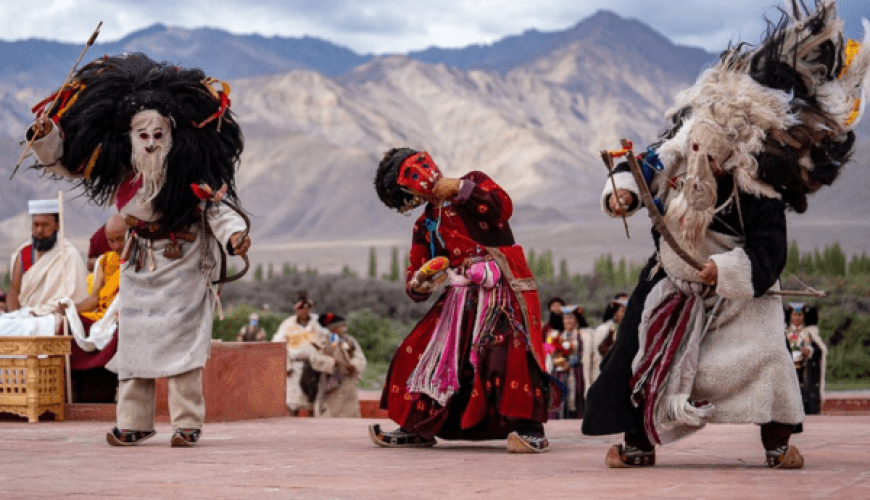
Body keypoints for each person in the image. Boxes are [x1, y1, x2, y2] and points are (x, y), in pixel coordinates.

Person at [582, 2, 868, 469]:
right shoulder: (678, 146)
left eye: (715, 157)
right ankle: (637, 443)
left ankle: (777, 443)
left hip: (735, 297)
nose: (705, 163)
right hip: (671, 282)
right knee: (637, 356)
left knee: (768, 356)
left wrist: (724, 271)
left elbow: (769, 251)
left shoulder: (758, 185)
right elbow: (641, 169)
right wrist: (624, 194)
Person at [26, 53, 251, 447]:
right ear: (130, 137)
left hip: (184, 265)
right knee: (134, 346)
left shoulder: (190, 173)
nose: (150, 143)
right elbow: (69, 162)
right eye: (142, 136)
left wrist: (235, 237)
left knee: (183, 351)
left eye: (158, 136)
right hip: (139, 265)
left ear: (172, 136)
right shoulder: (121, 168)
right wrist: (46, 136)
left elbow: (216, 208)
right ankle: (133, 422)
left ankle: (186, 424)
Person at [369, 148, 556, 453]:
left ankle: (530, 428)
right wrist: (421, 282)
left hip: (503, 286)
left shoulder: (473, 183)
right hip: (460, 296)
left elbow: (502, 208)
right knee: (418, 350)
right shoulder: (426, 224)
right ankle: (416, 427)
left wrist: (459, 188)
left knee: (505, 353)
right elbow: (415, 280)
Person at [66, 213, 127, 402]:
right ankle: (81, 391)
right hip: (104, 315)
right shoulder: (105, 261)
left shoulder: (142, 257)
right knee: (69, 325)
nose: (116, 246)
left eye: (120, 239)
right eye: (111, 241)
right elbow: (94, 298)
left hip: (124, 315)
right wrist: (71, 308)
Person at [5, 199, 88, 315]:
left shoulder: (69, 254)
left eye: (45, 225)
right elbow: (13, 292)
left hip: (54, 318)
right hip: (24, 317)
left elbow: (75, 297)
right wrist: (15, 316)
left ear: (57, 226)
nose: (39, 230)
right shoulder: (24, 254)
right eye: (36, 225)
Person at [272, 291, 328, 416]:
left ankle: (311, 427)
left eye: (307, 308)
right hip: (295, 367)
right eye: (301, 308)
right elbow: (278, 345)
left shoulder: (318, 323)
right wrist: (286, 366)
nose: (304, 311)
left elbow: (328, 339)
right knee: (293, 401)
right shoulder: (287, 325)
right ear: (296, 309)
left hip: (314, 366)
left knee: (312, 401)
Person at [313, 312, 367, 417]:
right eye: (341, 326)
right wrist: (333, 364)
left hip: (348, 384)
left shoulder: (350, 341)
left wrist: (353, 365)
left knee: (349, 413)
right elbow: (315, 359)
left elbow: (360, 358)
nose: (344, 329)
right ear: (333, 328)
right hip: (329, 383)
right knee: (328, 413)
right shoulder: (322, 341)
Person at [545, 307, 593, 419]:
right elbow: (547, 350)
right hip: (559, 372)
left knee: (576, 398)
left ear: (577, 320)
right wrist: (555, 354)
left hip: (576, 373)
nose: (568, 321)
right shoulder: (554, 335)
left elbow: (582, 353)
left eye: (571, 318)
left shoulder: (583, 336)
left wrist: (570, 364)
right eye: (566, 318)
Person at [785, 303, 826, 417]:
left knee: (806, 398)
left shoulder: (809, 333)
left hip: (805, 372)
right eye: (795, 314)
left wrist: (809, 351)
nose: (797, 318)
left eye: (800, 314)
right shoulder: (784, 333)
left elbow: (818, 350)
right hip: (788, 371)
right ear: (790, 316)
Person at [594, 294, 627, 363]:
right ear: (615, 312)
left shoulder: (631, 330)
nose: (626, 314)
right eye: (623, 311)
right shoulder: (603, 329)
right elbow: (597, 355)